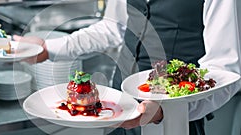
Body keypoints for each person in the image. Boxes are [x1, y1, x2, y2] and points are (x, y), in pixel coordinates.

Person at [14, 0, 241, 134]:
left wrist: (164, 110)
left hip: (175, 122)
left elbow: (225, 70)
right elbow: (112, 28)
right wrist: (49, 48)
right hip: (118, 110)